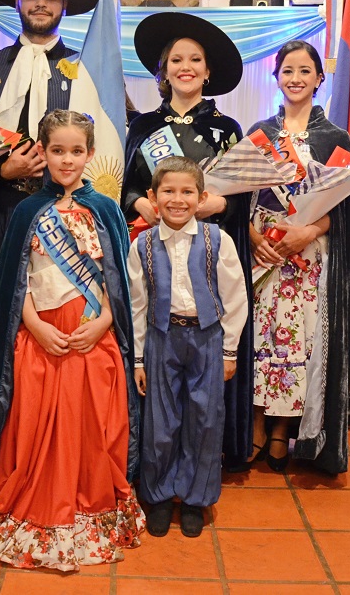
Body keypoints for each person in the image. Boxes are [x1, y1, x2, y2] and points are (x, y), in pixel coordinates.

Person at [0, 110, 143, 571]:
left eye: (76, 151)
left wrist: (103, 322)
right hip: (40, 334)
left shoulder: (107, 210)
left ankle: (86, 500)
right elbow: (14, 280)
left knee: (90, 420)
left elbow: (119, 280)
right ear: (43, 152)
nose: (67, 160)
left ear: (90, 154)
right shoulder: (26, 211)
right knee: (33, 420)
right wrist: (35, 326)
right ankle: (36, 498)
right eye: (57, 150)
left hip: (90, 334)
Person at [121, 11, 255, 471]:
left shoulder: (227, 129)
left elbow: (241, 197)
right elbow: (128, 188)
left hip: (207, 254)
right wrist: (141, 204)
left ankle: (204, 459)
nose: (186, 67)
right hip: (154, 247)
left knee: (203, 376)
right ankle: (155, 461)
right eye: (176, 59)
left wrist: (220, 205)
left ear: (208, 70)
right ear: (164, 69)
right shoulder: (141, 127)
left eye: (195, 59)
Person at [241, 41, 350, 476]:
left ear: (319, 78)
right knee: (259, 340)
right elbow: (238, 196)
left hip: (307, 258)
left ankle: (281, 430)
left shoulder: (335, 138)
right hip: (264, 255)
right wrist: (254, 238)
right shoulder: (259, 133)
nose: (295, 78)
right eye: (287, 70)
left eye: (305, 70)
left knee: (298, 344)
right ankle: (255, 424)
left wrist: (309, 231)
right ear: (276, 77)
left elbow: (342, 207)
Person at [129, 157, 248, 537]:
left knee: (204, 420)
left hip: (207, 339)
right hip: (161, 338)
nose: (177, 200)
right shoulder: (142, 244)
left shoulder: (218, 240)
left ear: (202, 198)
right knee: (161, 423)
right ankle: (161, 496)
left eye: (187, 192)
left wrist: (229, 351)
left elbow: (235, 297)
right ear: (153, 197)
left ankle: (195, 499)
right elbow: (137, 305)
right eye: (168, 191)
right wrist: (138, 359)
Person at [0, 0, 99, 253]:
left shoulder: (85, 66)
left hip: (67, 210)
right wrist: (2, 171)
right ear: (17, 1)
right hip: (1, 209)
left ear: (64, 4)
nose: (40, 3)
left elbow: (104, 138)